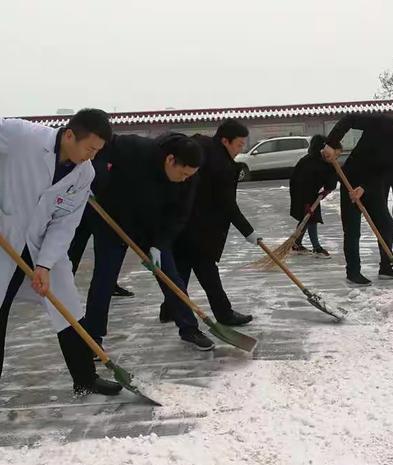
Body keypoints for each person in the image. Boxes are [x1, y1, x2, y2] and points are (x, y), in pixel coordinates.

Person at [0, 109, 121, 395]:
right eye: (89, 148)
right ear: (69, 135)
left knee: (68, 309)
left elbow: (65, 224)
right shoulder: (23, 137)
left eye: (97, 151)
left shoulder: (84, 173)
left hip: (42, 244)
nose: (91, 156)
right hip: (6, 237)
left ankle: (85, 378)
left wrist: (44, 265)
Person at [82, 132, 215, 351]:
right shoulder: (134, 148)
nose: (185, 179)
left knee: (170, 275)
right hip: (112, 220)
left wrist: (160, 244)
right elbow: (100, 146)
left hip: (151, 228)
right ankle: (93, 338)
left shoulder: (189, 179)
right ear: (170, 159)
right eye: (182, 173)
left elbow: (179, 216)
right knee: (104, 278)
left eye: (190, 175)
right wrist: (92, 177)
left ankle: (189, 328)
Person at [161, 119, 262, 327]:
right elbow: (228, 204)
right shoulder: (222, 165)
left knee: (181, 269)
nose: (240, 149)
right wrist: (248, 231)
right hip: (201, 228)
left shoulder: (201, 147)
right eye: (239, 145)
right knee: (208, 272)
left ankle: (169, 309)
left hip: (183, 223)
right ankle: (224, 314)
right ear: (225, 141)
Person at [322, 110, 393, 286]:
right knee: (352, 229)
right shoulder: (382, 122)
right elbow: (349, 120)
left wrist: (364, 188)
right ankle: (353, 272)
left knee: (386, 224)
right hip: (350, 179)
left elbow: (386, 173)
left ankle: (387, 267)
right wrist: (332, 143)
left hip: (371, 185)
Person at [68, 157, 134, 297]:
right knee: (74, 249)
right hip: (83, 210)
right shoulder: (88, 154)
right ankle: (63, 283)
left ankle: (110, 284)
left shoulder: (116, 155)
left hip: (106, 213)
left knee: (107, 255)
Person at [289, 134, 342, 258]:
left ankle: (297, 243)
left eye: (337, 155)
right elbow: (302, 184)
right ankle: (315, 247)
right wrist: (307, 203)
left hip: (312, 193)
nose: (335, 157)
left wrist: (328, 189)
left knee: (309, 218)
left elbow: (331, 178)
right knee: (309, 217)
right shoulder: (309, 162)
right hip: (301, 193)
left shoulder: (325, 162)